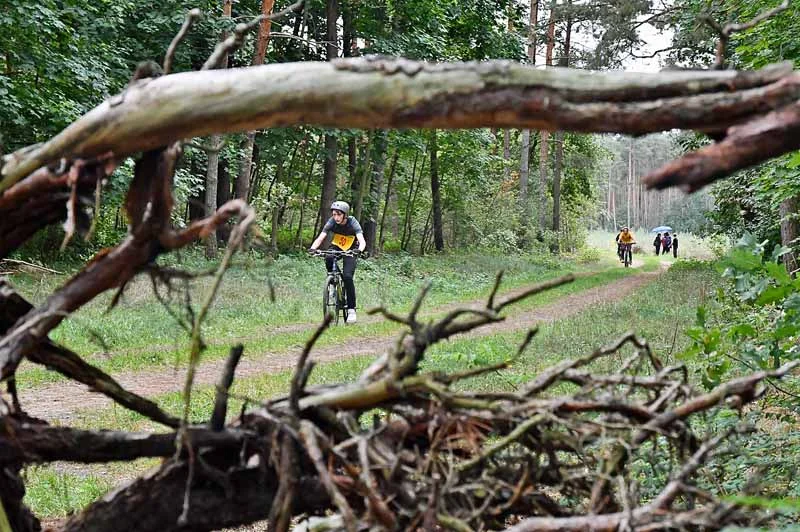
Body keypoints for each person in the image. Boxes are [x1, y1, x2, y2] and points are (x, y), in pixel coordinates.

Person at [310, 200, 367, 324]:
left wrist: (359, 250)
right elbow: (321, 237)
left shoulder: (353, 223)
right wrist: (313, 249)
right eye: (334, 214)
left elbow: (362, 241)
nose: (336, 217)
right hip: (338, 245)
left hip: (352, 248)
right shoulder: (331, 222)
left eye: (338, 214)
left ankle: (351, 309)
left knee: (347, 276)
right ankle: (332, 279)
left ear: (345, 215)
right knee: (329, 256)